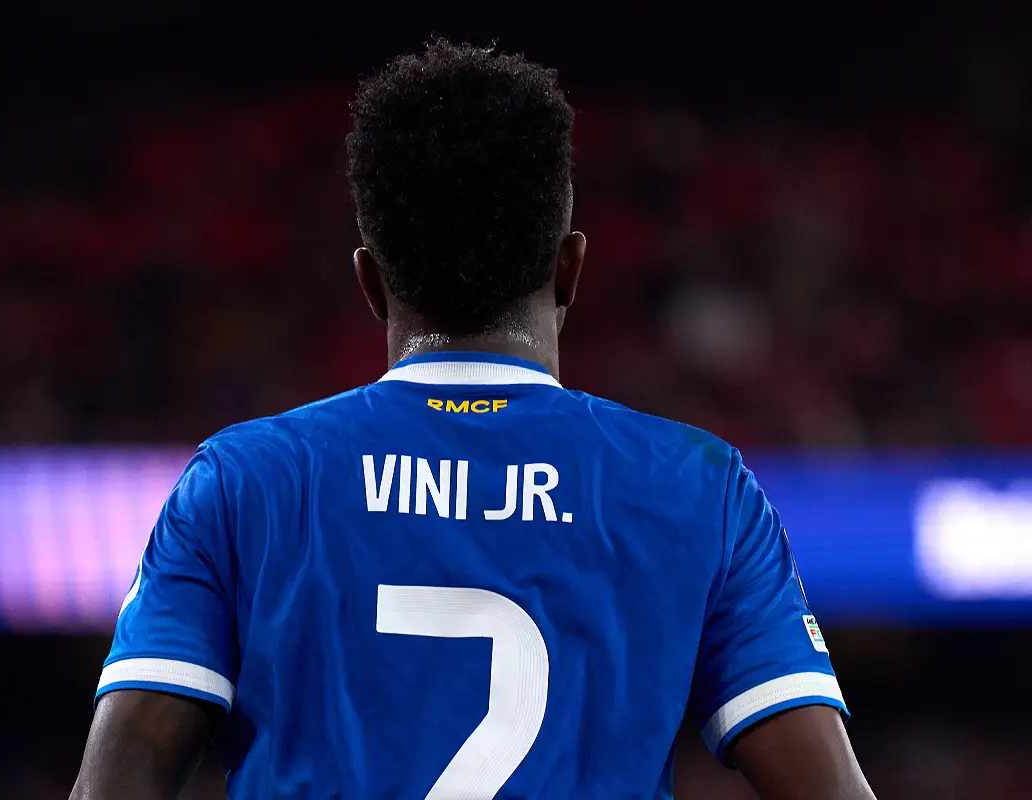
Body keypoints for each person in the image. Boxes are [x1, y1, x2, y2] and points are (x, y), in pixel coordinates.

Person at [71, 39, 875, 800]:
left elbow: (120, 774)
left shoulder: (245, 481)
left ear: (371, 282)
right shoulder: (702, 489)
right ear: (570, 269)